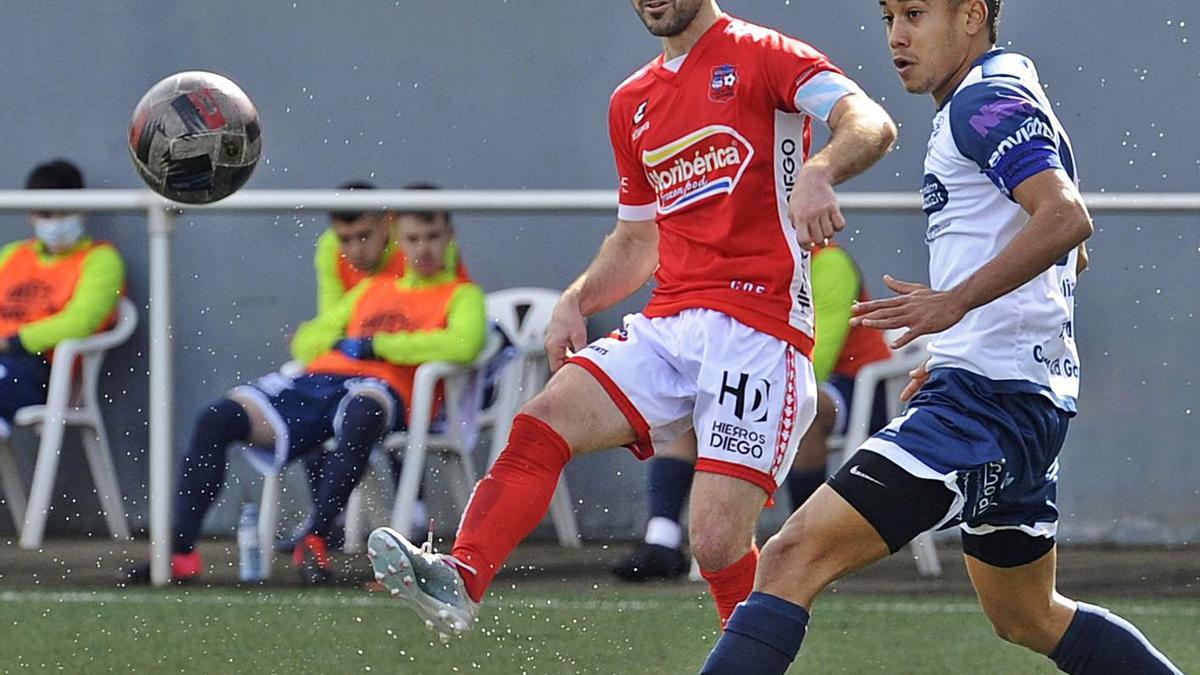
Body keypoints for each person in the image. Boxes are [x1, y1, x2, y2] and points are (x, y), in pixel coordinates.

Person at [366, 0, 896, 637]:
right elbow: (637, 240)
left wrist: (820, 167)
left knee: (716, 542)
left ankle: (753, 659)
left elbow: (871, 122)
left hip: (759, 329)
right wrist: (577, 298)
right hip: (671, 321)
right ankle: (463, 577)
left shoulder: (766, 53)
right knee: (542, 420)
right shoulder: (632, 101)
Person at [701, 1, 1183, 673]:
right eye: (889, 15)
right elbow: (1060, 251)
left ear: (973, 16)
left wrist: (956, 306)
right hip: (1012, 398)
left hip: (985, 408)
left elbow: (1067, 221)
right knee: (1026, 614)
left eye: (918, 12)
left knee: (788, 555)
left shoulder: (984, 101)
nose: (897, 35)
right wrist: (961, 344)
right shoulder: (998, 93)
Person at [123, 199, 486, 585]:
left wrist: (378, 346)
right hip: (321, 383)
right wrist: (338, 342)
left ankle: (314, 537)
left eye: (433, 237)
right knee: (218, 418)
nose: (424, 248)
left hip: (383, 390)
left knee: (362, 411)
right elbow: (307, 342)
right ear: (400, 239)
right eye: (414, 238)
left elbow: (462, 345)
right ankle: (179, 551)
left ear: (450, 236)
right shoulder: (373, 290)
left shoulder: (463, 295)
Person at [612, 243, 892, 581]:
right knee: (687, 398)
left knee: (808, 405)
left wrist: (735, 387)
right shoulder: (749, 261)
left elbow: (816, 359)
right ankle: (662, 540)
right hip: (763, 376)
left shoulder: (829, 263)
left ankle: (808, 542)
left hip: (853, 385)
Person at [0, 159, 125, 440]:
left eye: (63, 213)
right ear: (31, 215)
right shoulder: (12, 255)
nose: (54, 223)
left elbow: (80, 322)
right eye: (45, 214)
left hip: (44, 370)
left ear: (81, 209)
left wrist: (12, 340)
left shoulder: (101, 259)